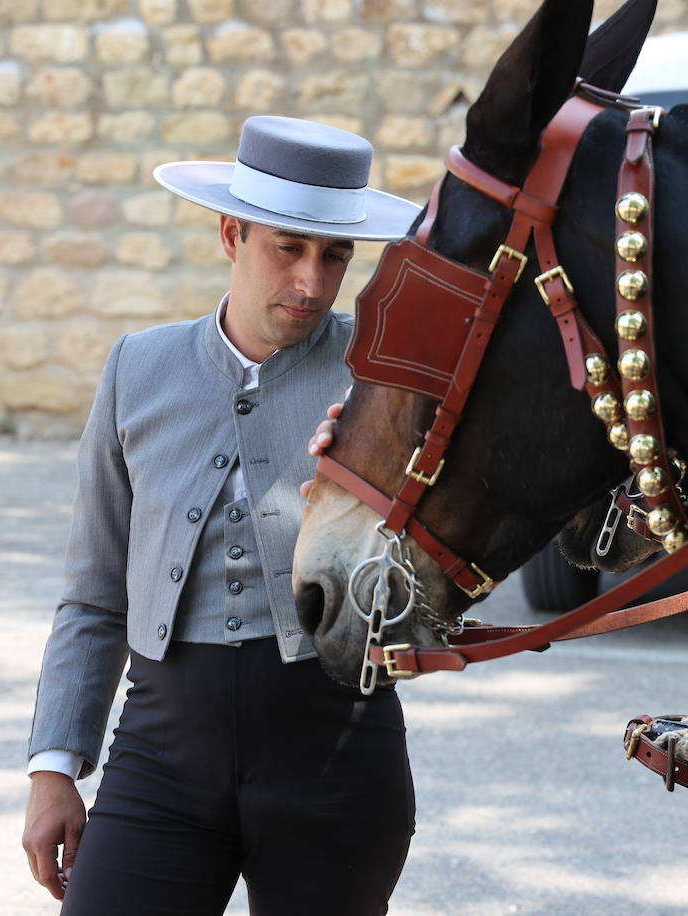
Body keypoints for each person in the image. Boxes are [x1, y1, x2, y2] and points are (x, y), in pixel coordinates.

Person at [21, 115, 421, 916]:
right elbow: (95, 592)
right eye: (288, 248)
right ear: (231, 234)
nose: (312, 281)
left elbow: (437, 583)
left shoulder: (383, 377)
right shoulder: (139, 367)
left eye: (335, 254)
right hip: (161, 754)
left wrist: (369, 496)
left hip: (335, 754)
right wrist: (54, 768)